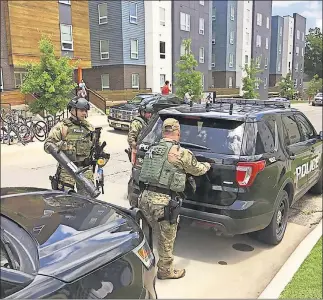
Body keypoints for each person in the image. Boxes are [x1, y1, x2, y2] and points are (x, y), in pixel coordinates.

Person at [137, 118, 211, 280]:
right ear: (178, 132)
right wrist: (208, 166)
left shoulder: (152, 148)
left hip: (143, 198)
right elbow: (197, 169)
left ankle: (143, 265)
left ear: (163, 132)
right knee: (166, 238)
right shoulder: (180, 152)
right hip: (163, 202)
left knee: (148, 233)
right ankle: (165, 271)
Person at [44, 97, 104, 196]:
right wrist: (63, 146)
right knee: (66, 199)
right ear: (72, 110)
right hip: (67, 169)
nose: (84, 113)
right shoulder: (62, 126)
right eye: (81, 110)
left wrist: (101, 156)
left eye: (85, 110)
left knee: (87, 201)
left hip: (85, 169)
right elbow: (47, 145)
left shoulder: (89, 128)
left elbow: (98, 146)